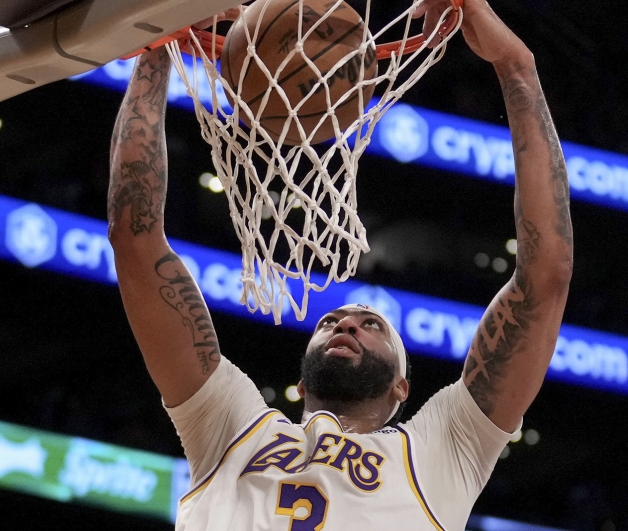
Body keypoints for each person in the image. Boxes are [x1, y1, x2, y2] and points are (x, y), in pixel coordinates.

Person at [106, 0, 573, 528]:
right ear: (300, 386)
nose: (346, 322)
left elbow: (544, 277)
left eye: (370, 325)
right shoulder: (228, 425)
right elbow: (135, 237)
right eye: (331, 322)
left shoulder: (443, 450)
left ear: (402, 387)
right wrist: (156, 48)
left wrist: (517, 65)